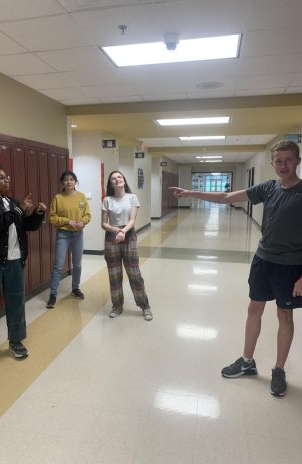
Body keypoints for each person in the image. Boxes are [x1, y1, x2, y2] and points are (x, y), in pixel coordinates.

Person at [169, 140, 302, 397]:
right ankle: (247, 361)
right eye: (278, 161)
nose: (283, 165)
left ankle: (279, 369)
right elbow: (227, 196)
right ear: (272, 164)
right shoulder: (268, 187)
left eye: (288, 160)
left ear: (297, 161)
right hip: (263, 260)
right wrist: (190, 193)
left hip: (291, 266)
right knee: (254, 309)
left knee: (284, 316)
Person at [0, 163, 46, 371]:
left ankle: (16, 341)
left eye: (7, 177)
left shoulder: (11, 202)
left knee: (16, 302)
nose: (7, 180)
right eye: (1, 178)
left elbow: (26, 226)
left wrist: (37, 214)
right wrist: (19, 209)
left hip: (15, 261)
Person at [101, 170, 153, 321]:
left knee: (134, 273)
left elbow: (132, 220)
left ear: (123, 180)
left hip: (128, 234)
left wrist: (122, 232)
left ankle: (145, 306)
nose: (117, 180)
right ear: (110, 184)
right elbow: (103, 223)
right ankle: (117, 306)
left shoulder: (132, 197)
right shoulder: (107, 200)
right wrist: (115, 230)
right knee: (114, 274)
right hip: (112, 236)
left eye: (119, 177)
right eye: (113, 179)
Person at [46, 171, 91, 308]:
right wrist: (67, 221)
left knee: (77, 264)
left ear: (75, 182)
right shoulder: (58, 198)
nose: (69, 182)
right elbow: (52, 217)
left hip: (78, 234)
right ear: (62, 183)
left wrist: (83, 222)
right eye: (66, 180)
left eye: (72, 179)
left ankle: (75, 289)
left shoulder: (81, 197)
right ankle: (53, 294)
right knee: (58, 266)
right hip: (63, 234)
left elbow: (87, 215)